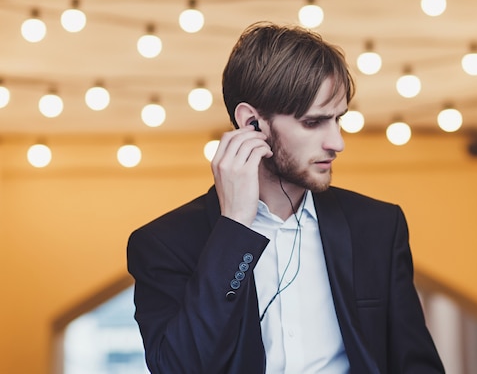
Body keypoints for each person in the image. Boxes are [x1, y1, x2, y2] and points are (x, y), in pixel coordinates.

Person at [127, 21, 445, 374]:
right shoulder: (163, 244)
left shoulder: (378, 227)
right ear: (252, 123)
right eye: (313, 122)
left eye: (339, 119)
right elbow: (178, 369)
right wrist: (233, 230)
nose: (337, 143)